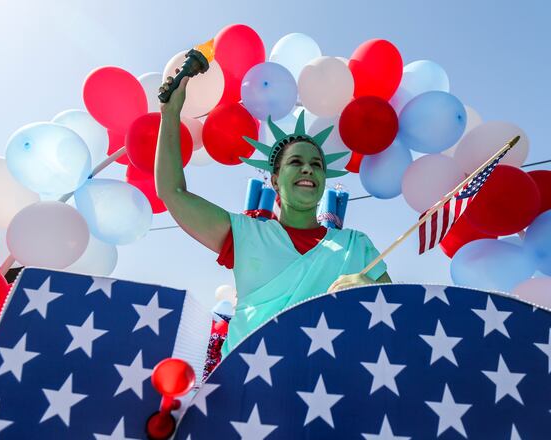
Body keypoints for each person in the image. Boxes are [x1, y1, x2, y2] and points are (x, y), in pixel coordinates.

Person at [155, 77, 391, 357]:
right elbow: (173, 192)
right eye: (296, 162)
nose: (308, 169)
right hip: (245, 383)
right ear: (276, 181)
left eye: (316, 165)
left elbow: (396, 318)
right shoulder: (244, 233)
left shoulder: (356, 245)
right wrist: (170, 114)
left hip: (328, 386)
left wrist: (373, 296)